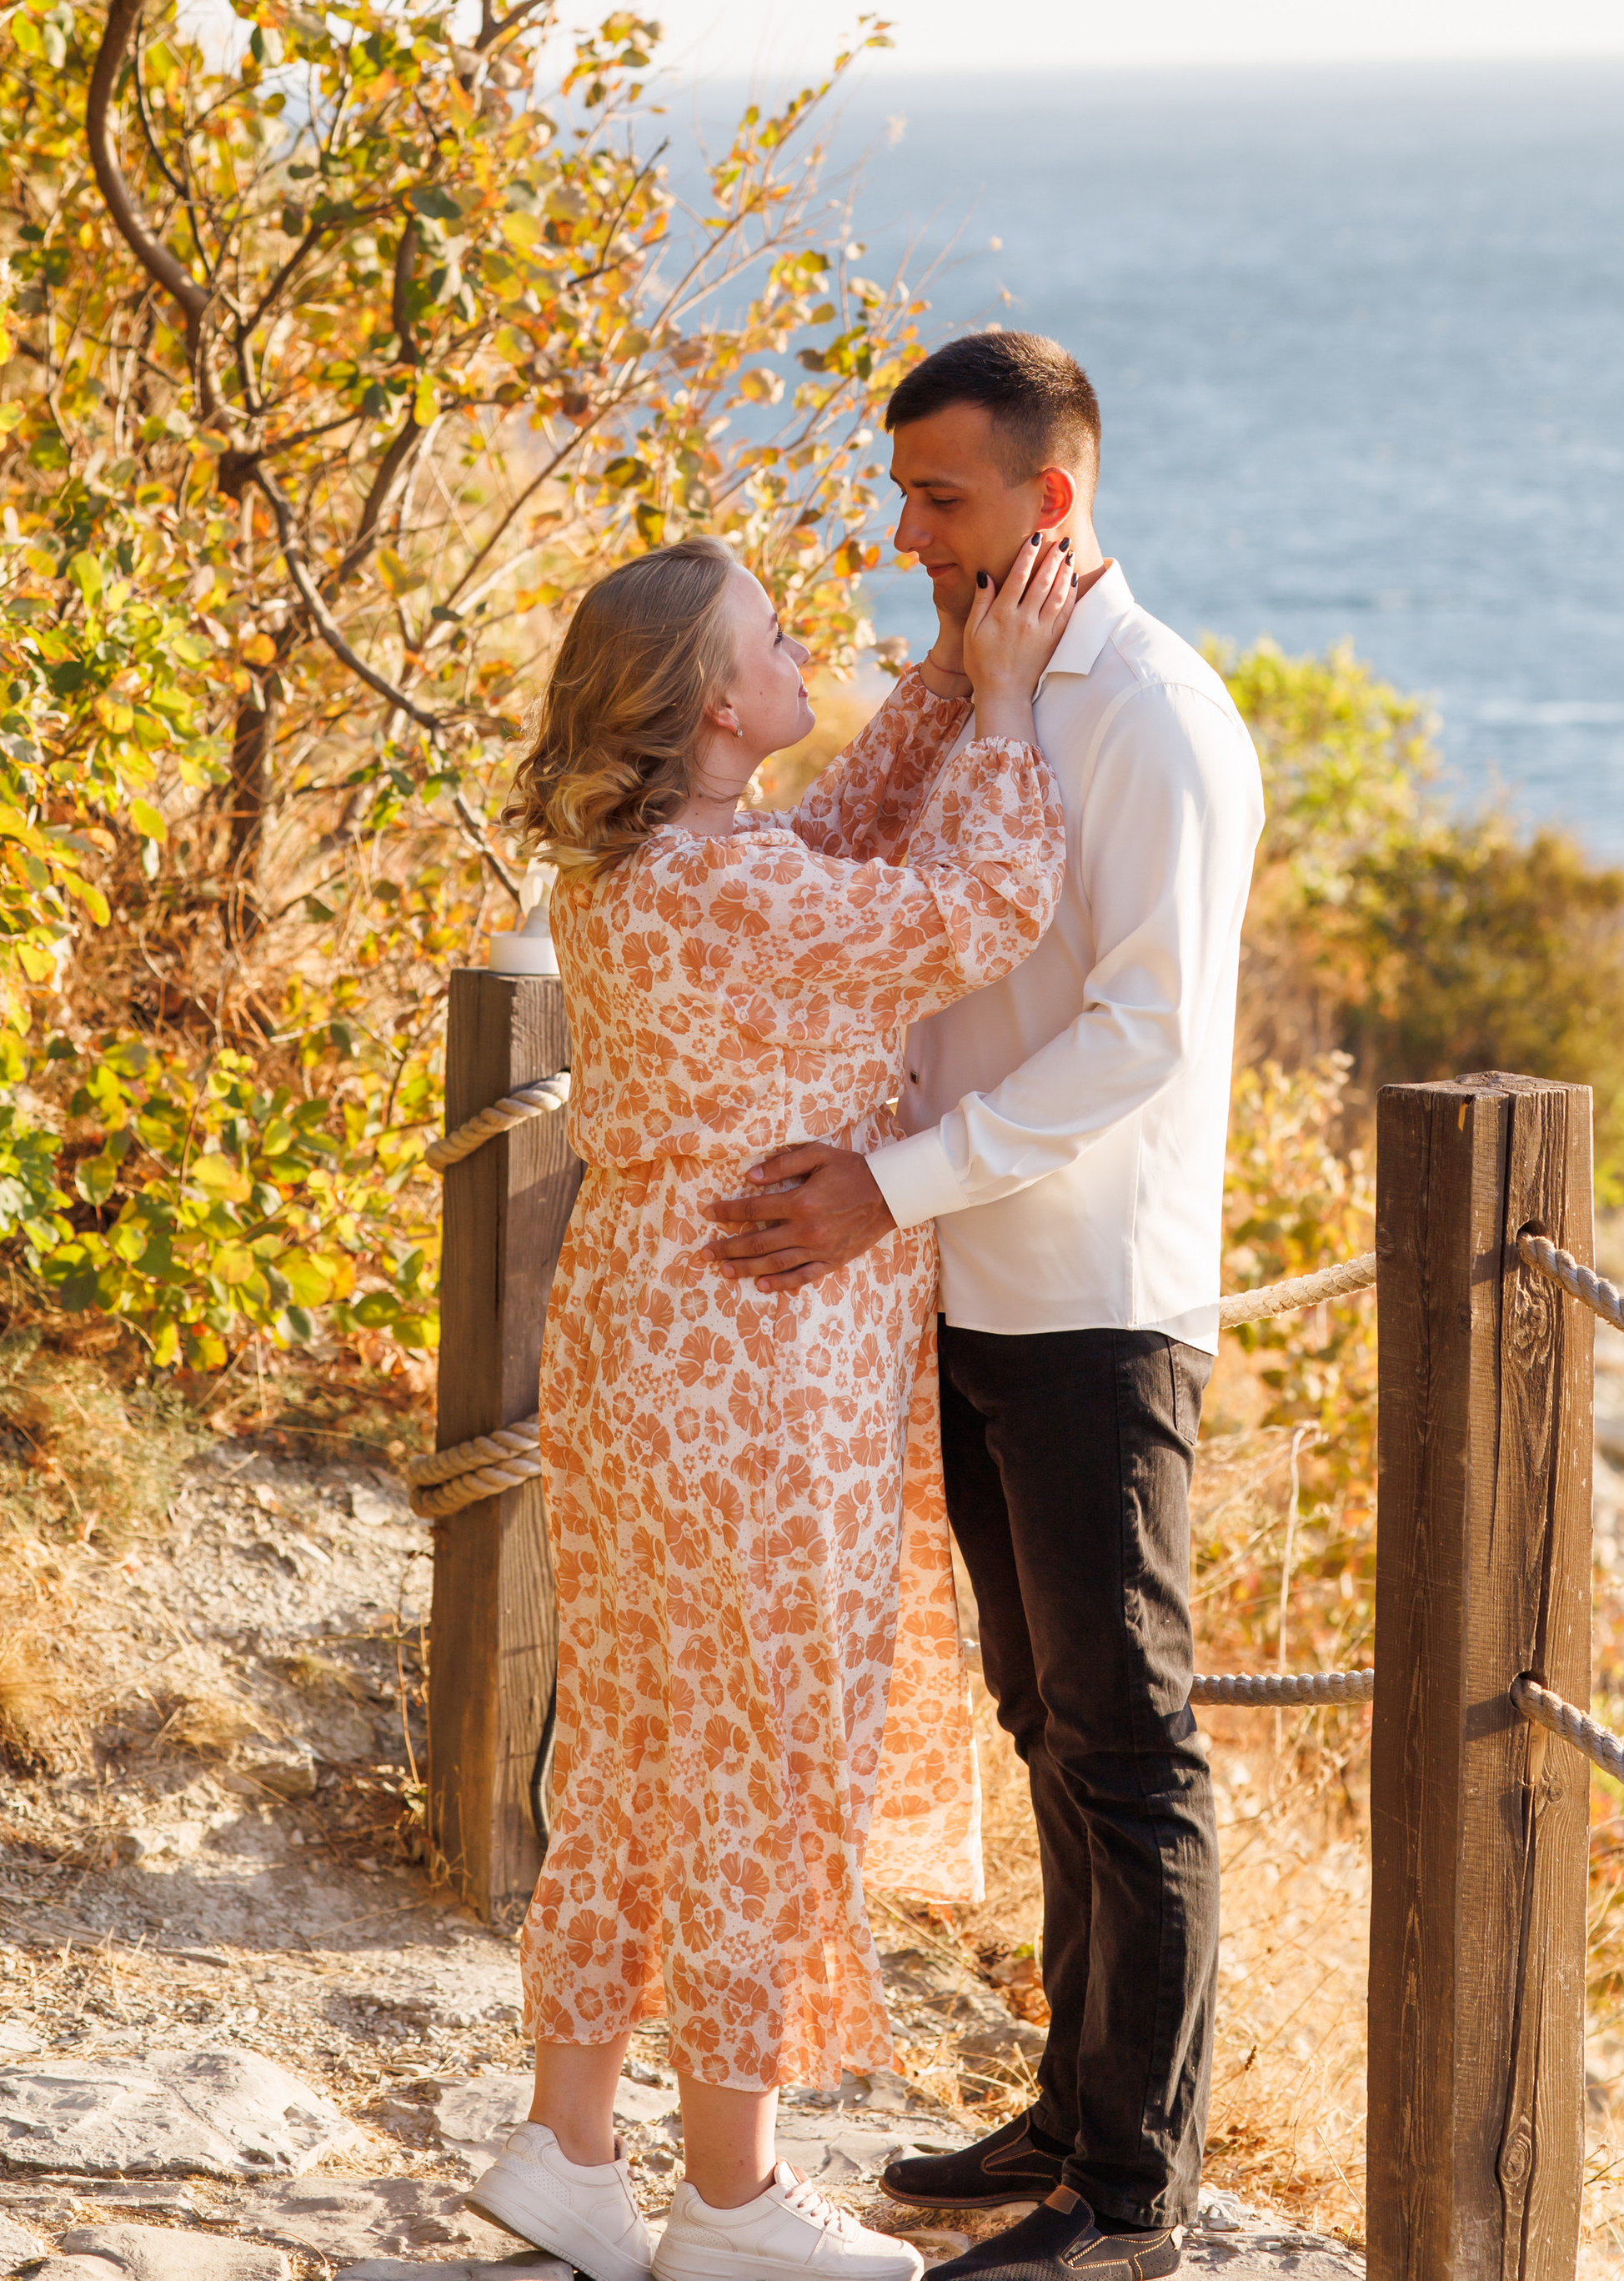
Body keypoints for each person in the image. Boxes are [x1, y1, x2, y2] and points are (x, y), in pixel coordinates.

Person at [711, 333, 1266, 2281]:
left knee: (1125, 1737)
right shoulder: (983, 686)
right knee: (1044, 1716)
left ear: (1050, 499)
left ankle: (1131, 2196)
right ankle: (1073, 2110)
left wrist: (890, 1183)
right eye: (900, 498)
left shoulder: (1155, 716)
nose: (904, 537)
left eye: (935, 499)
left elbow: (1140, 1036)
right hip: (968, 1285)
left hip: (1095, 1299)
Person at [469, 530, 1075, 2281]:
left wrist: (946, 679)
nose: (808, 650)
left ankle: (569, 2150)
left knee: (641, 1736)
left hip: (640, 1335)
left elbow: (847, 841)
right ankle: (729, 2200)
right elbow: (978, 911)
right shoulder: (735, 889)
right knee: (764, 1749)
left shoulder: (659, 865)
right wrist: (1009, 708)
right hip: (759, 1357)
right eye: (777, 639)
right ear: (716, 707)